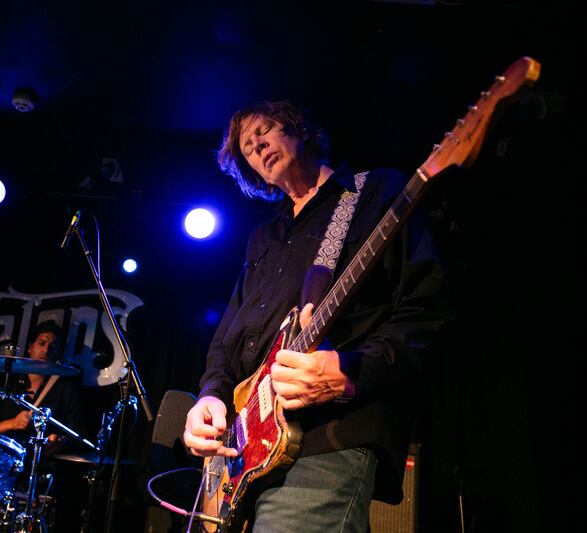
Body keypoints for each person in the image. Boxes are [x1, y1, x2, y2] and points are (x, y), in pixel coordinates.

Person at [182, 101, 450, 532]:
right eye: (248, 148)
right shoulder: (262, 239)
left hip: (330, 438)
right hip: (246, 454)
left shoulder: (375, 192)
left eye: (267, 130)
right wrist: (210, 396)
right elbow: (227, 340)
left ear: (299, 129)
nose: (259, 145)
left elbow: (426, 311)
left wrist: (350, 372)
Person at [0, 319, 85, 530]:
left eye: (53, 346)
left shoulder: (65, 389)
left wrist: (59, 441)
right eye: (42, 343)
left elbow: (77, 432)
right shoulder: (4, 382)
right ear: (31, 346)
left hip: (39, 475)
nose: (47, 349)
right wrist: (11, 423)